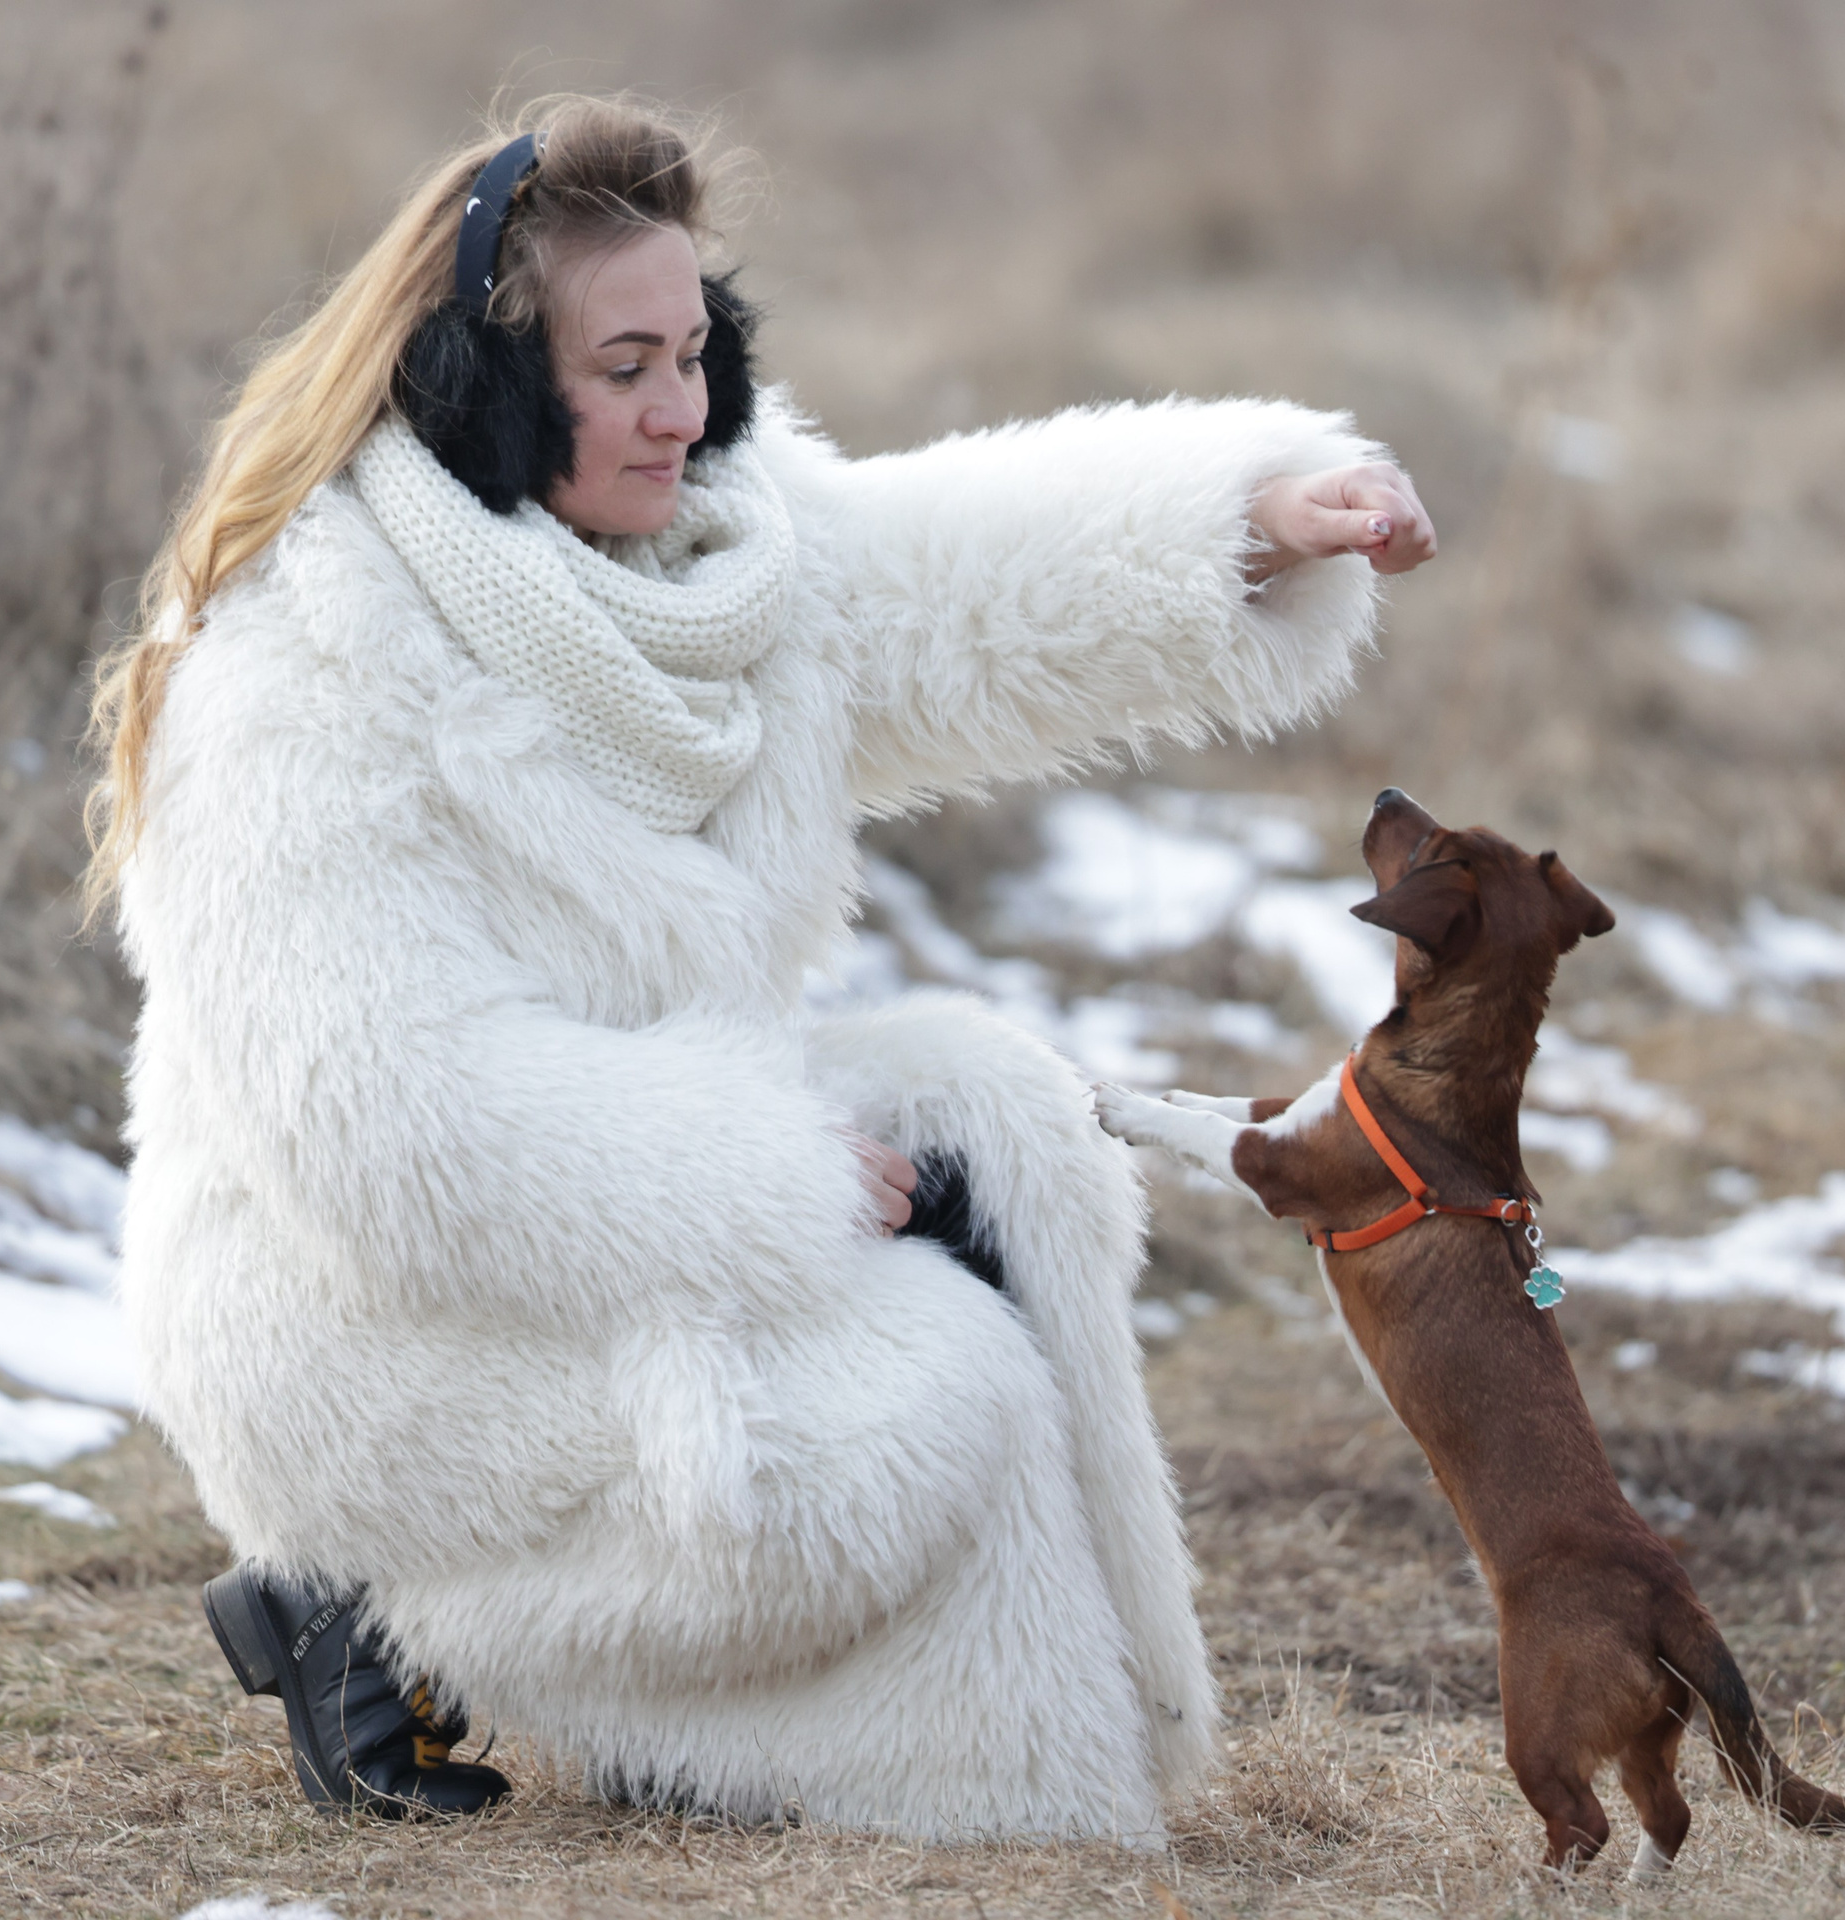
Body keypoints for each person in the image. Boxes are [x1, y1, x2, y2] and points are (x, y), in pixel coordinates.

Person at [88, 94, 1433, 1843]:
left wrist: (1255, 521)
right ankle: (383, 1596)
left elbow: (958, 592)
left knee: (1006, 1139)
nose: (681, 409)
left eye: (696, 352)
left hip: (623, 1182)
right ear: (483, 387)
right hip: (364, 1320)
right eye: (623, 367)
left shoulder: (719, 555)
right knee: (932, 1393)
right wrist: (777, 1173)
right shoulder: (302, 670)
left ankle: (762, 1719)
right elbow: (392, 1125)